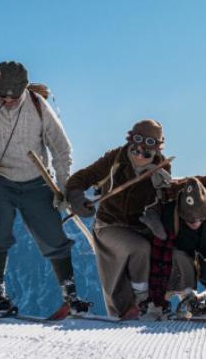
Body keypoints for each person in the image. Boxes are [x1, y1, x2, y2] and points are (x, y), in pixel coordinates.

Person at [0, 61, 90, 315]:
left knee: (53, 234)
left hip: (35, 180)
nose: (9, 101)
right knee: (1, 225)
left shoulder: (38, 105)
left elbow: (61, 148)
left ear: (25, 89)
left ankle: (71, 296)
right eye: (3, 96)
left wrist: (63, 186)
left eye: (15, 96)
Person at [64, 120, 171, 318]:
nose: (139, 155)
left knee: (166, 252)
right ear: (130, 141)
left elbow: (163, 202)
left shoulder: (162, 167)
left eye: (147, 151)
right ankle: (139, 301)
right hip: (109, 225)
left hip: (141, 226)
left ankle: (162, 300)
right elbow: (80, 179)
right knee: (138, 248)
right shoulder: (115, 159)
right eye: (136, 148)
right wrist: (77, 198)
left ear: (156, 149)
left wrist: (160, 198)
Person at [141, 176, 206, 318]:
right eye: (189, 220)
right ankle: (187, 299)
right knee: (179, 257)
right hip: (178, 262)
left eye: (200, 219)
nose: (195, 223)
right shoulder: (170, 217)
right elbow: (159, 263)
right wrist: (156, 302)